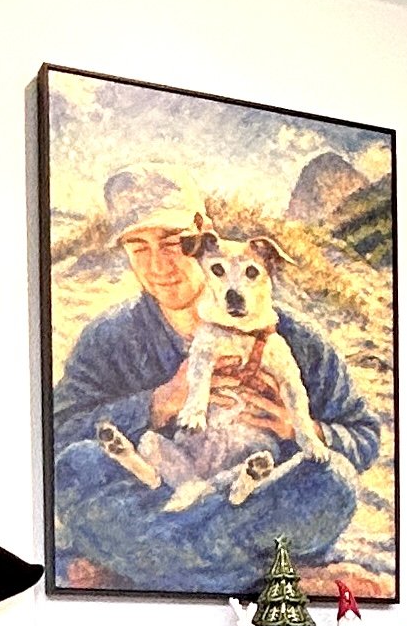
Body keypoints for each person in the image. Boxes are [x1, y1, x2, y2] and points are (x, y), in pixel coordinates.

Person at [50, 169, 380, 590]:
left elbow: (364, 437)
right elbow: (60, 433)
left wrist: (296, 427)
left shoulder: (294, 337)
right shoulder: (110, 336)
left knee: (333, 481)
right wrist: (157, 403)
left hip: (250, 497)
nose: (157, 265)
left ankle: (157, 565)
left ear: (204, 239)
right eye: (138, 247)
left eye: (172, 243)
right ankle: (248, 575)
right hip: (162, 493)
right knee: (78, 465)